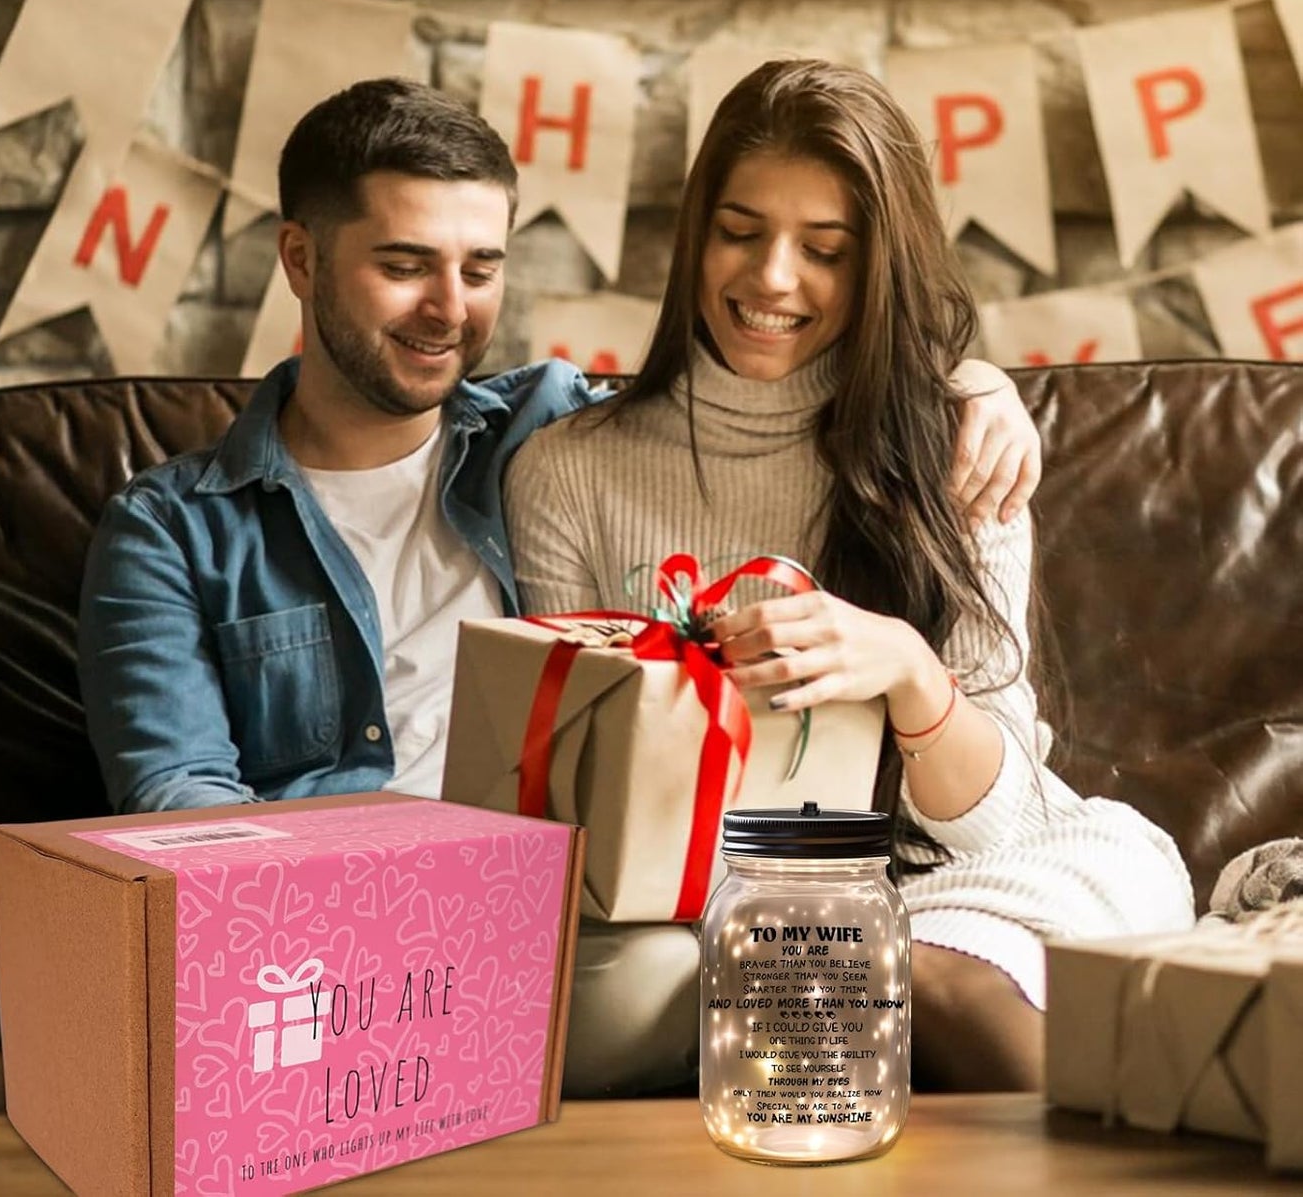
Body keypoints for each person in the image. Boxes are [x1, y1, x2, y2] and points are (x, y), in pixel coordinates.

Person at [502, 59, 1197, 1097]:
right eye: (739, 231)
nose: (773, 277)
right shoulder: (567, 471)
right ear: (693, 235)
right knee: (831, 975)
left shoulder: (957, 445)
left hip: (983, 871)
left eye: (823, 250)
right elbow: (572, 786)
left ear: (876, 266)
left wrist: (908, 670)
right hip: (734, 900)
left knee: (937, 983)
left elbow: (995, 821)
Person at [79, 76, 1041, 821]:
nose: (448, 309)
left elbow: (742, 398)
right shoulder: (170, 533)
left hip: (552, 896)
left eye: (479, 269)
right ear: (300, 258)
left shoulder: (541, 432)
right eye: (404, 265)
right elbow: (178, 802)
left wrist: (969, 386)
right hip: (317, 926)